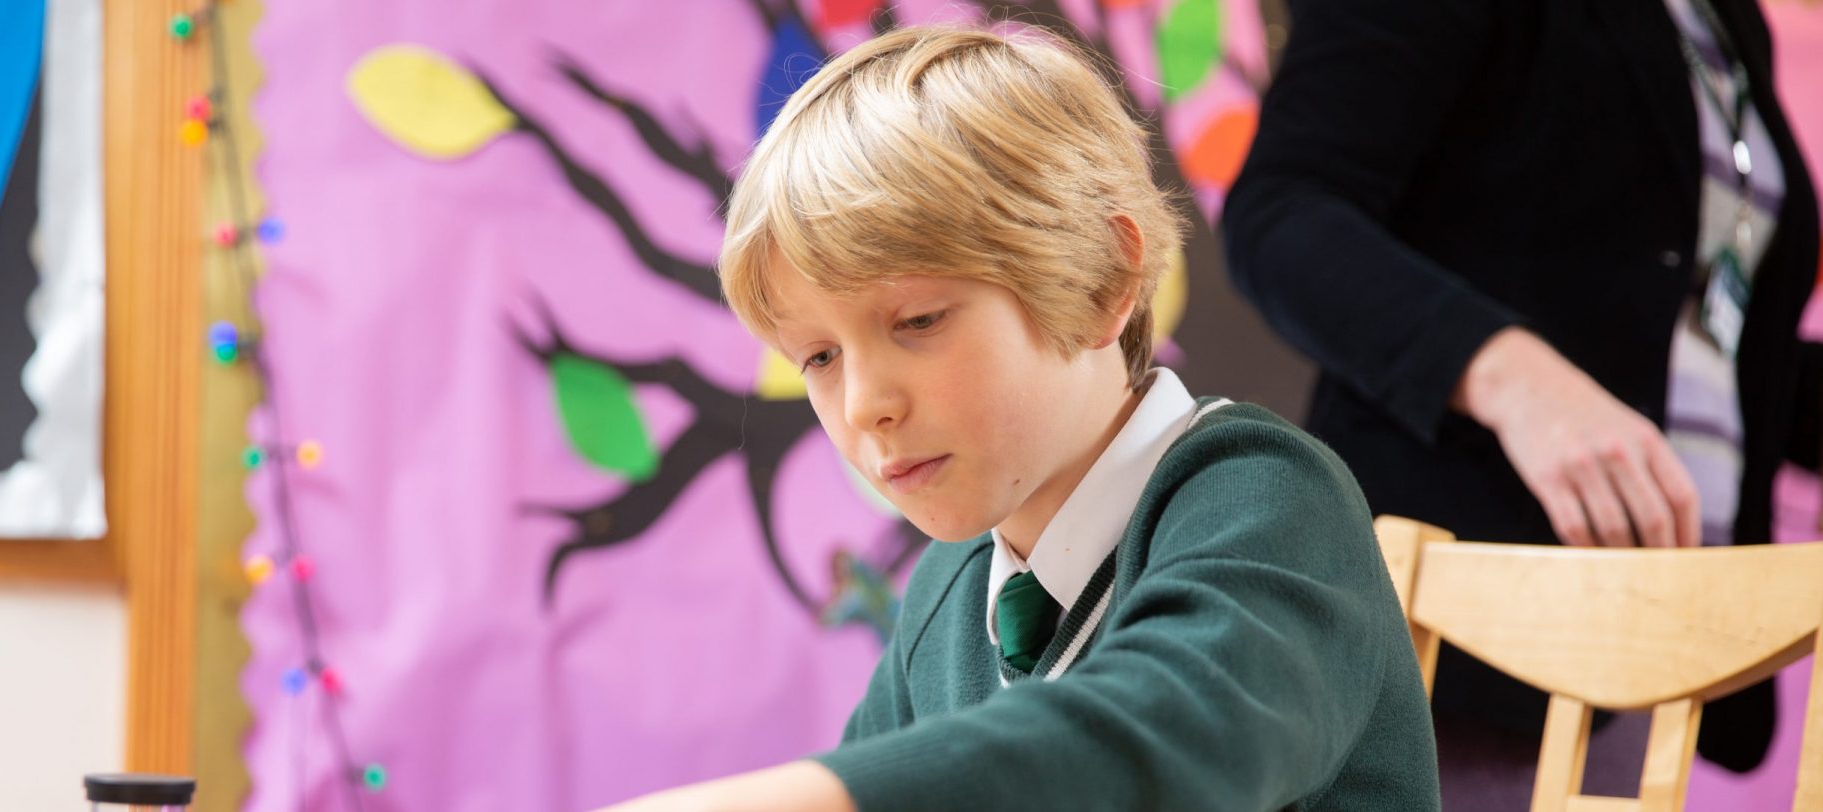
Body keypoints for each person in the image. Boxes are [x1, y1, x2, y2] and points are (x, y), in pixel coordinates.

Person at [600, 23, 1439, 812]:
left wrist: (827, 798)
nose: (865, 406)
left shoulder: (1270, 502)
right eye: (819, 358)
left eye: (918, 322)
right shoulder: (950, 586)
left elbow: (1170, 735)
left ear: (1103, 280)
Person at [1221, 0, 1821, 804]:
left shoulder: (1726, 21)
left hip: (1640, 650)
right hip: (1455, 644)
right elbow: (1283, 213)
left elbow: (1712, 351)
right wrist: (1510, 374)